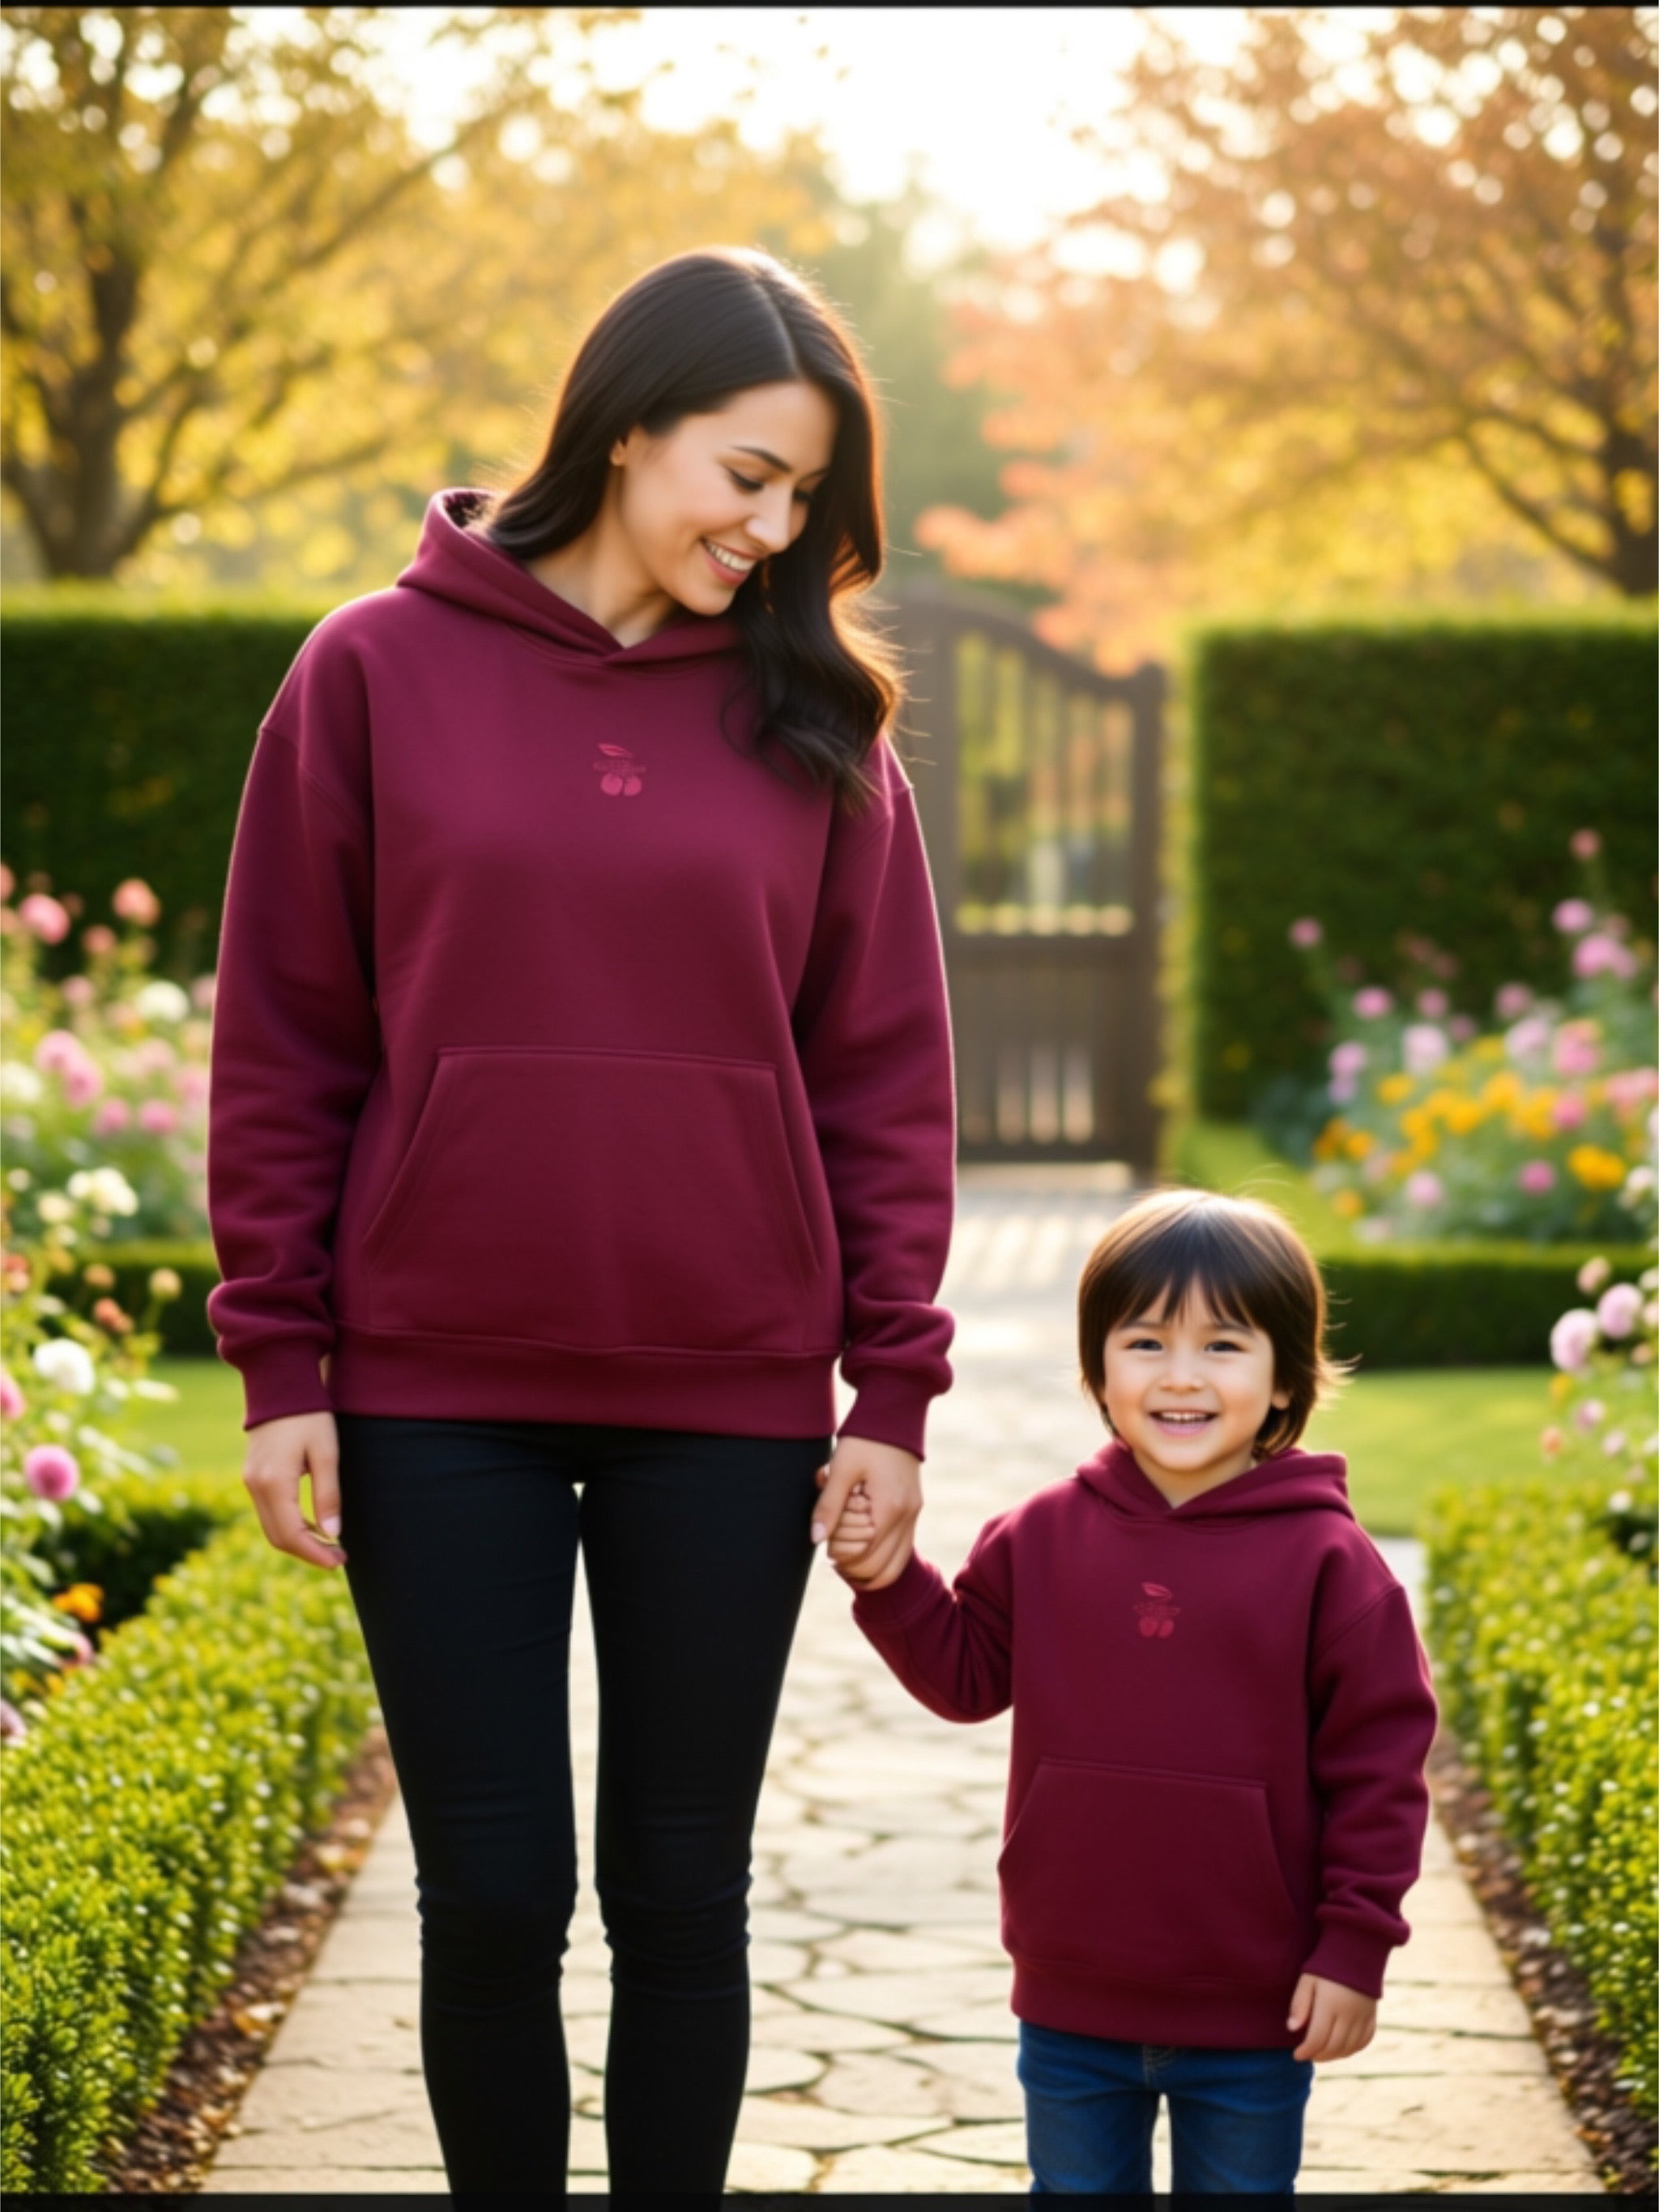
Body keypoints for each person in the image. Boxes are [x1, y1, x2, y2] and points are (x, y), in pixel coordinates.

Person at [204, 246, 957, 2197]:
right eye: (745, 473)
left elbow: (882, 1081)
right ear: (624, 428)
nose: (772, 527)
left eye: (804, 497)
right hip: (434, 1386)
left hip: (724, 1391)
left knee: (682, 1889)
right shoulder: (369, 670)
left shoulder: (817, 724)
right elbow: (286, 1035)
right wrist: (281, 1357)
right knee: (492, 1889)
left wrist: (892, 1393)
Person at [828, 1187, 1439, 2196]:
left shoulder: (1332, 1566)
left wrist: (1353, 1948)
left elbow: (1380, 1775)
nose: (1180, 1376)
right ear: (1098, 1373)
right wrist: (887, 1581)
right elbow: (967, 1677)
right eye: (1145, 1343)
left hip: (1254, 2014)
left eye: (1222, 1346)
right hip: (1069, 2004)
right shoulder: (1041, 1532)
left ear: (1285, 1381)